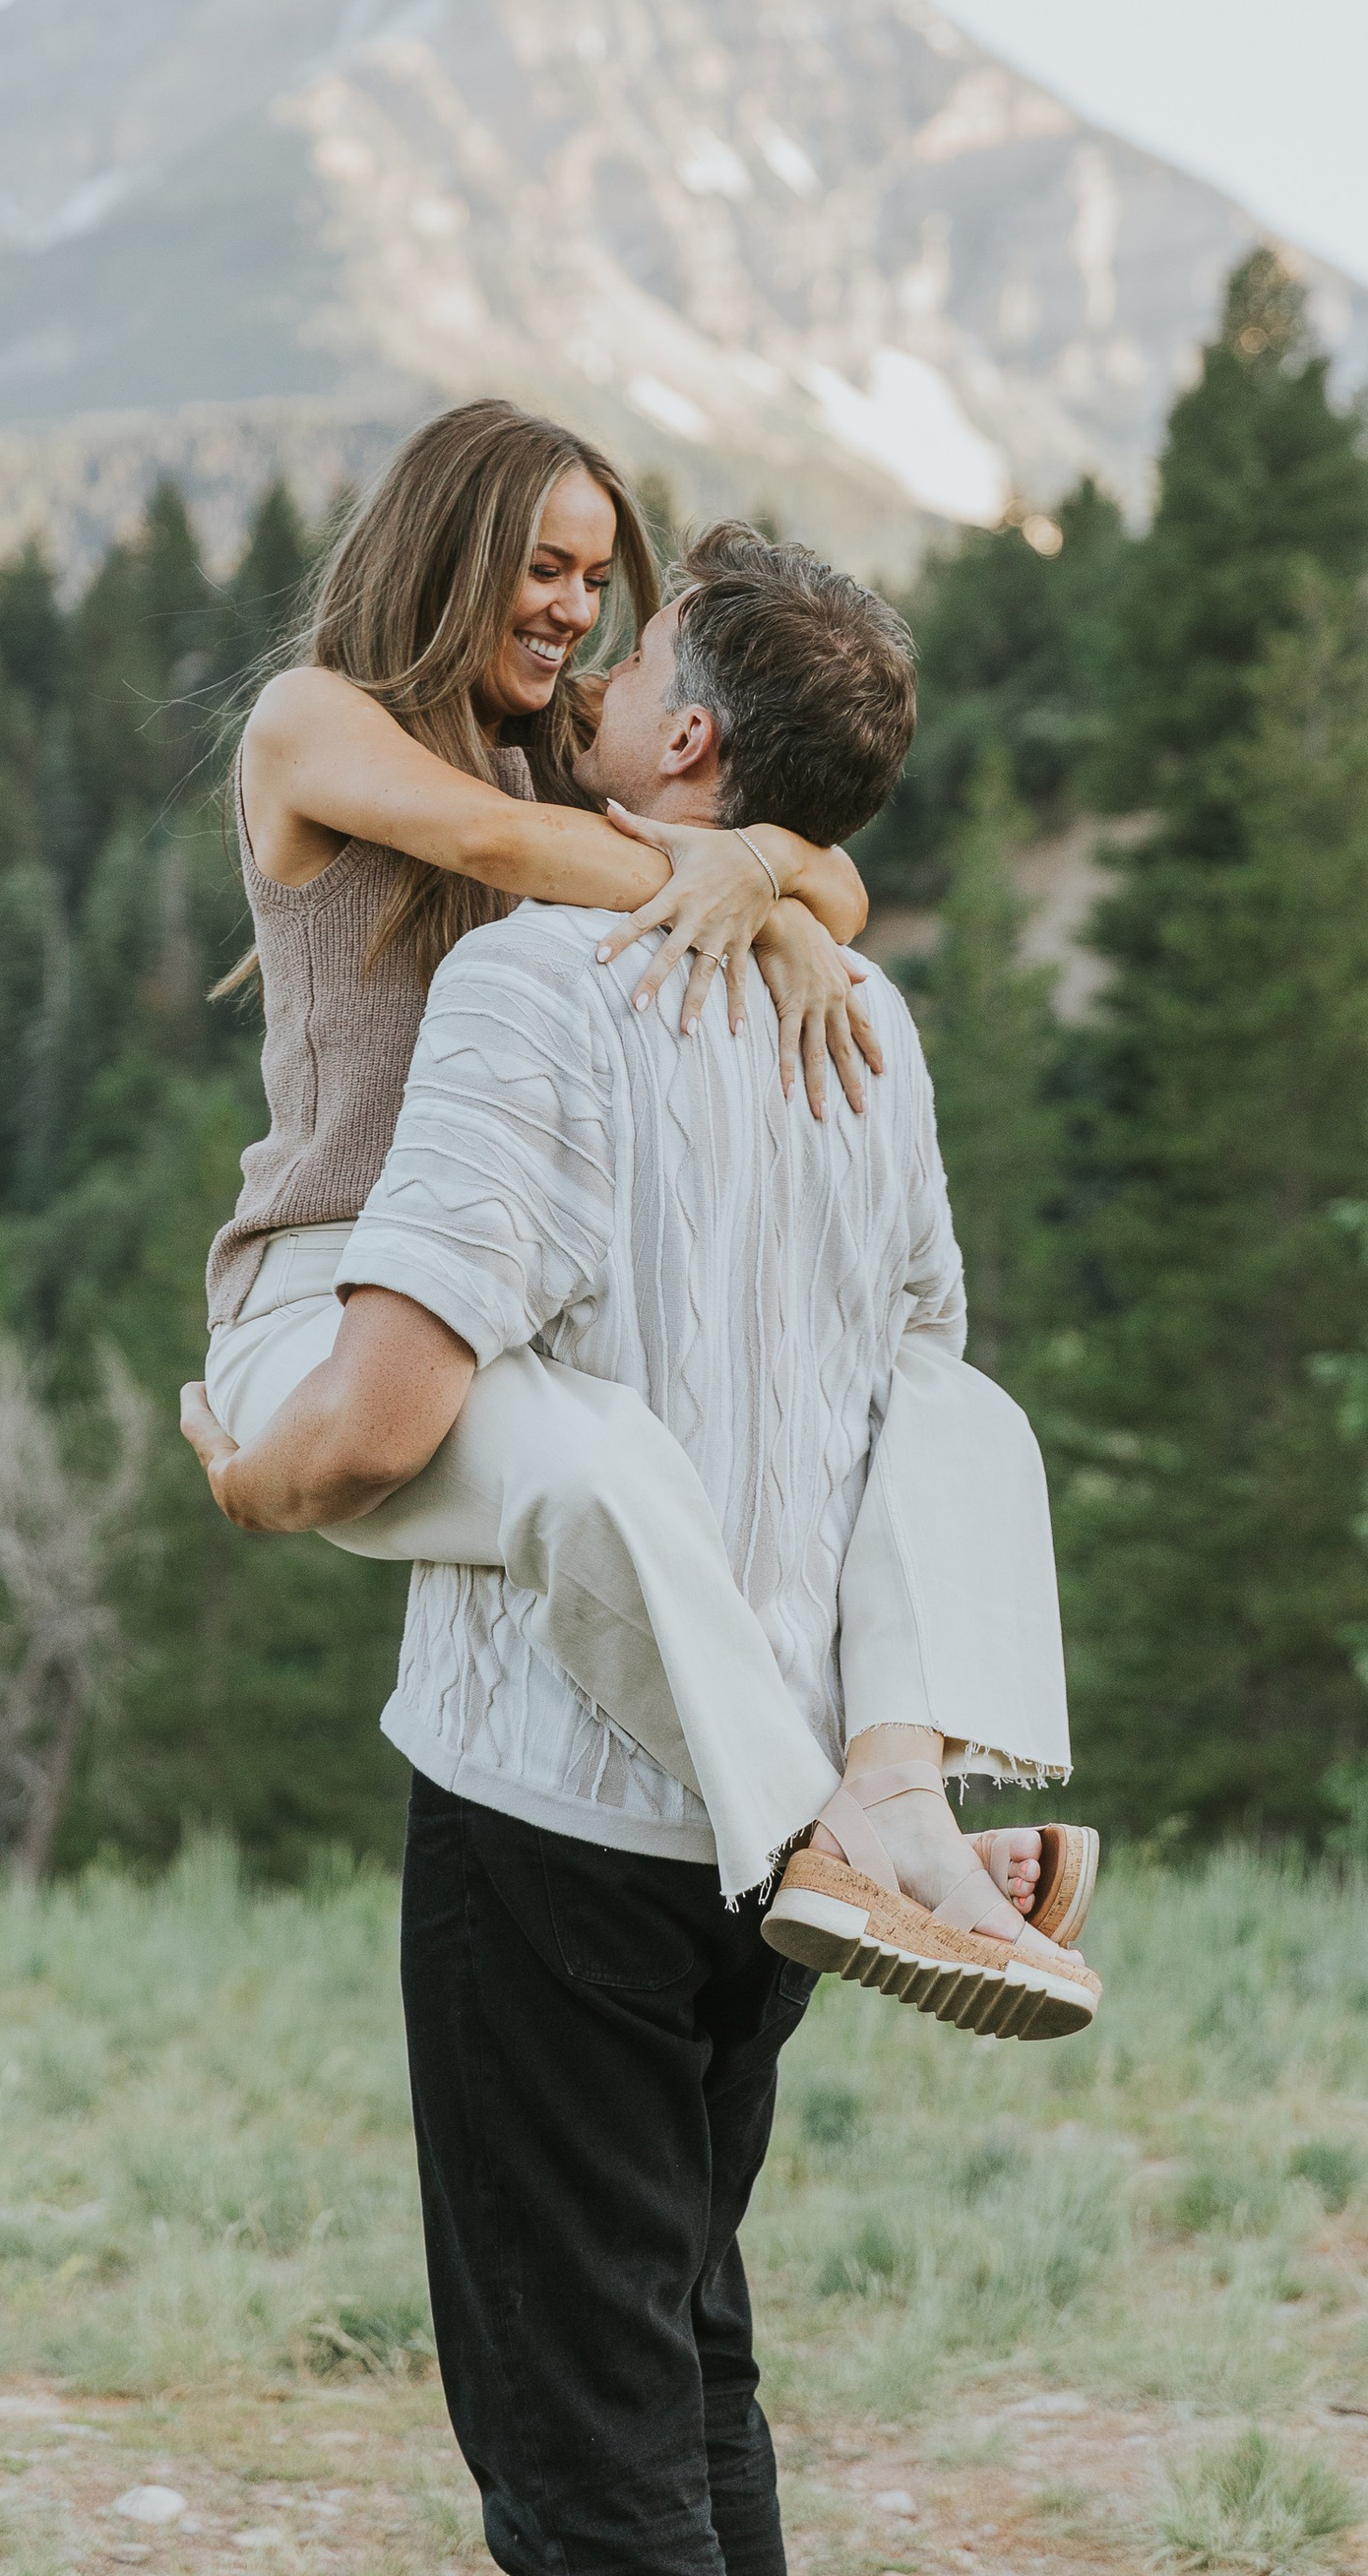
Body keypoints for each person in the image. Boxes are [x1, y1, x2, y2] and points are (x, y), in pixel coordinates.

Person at [183, 521, 1096, 2576]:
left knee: (581, 2451)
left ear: (684, 739)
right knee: (689, 2368)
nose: (587, 661)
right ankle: (904, 1821)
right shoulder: (858, 1011)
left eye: (632, 644)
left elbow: (398, 1411)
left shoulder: (530, 985)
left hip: (557, 1814)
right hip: (775, 1850)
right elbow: (922, 1370)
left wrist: (254, 1475)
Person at [186, 400, 1092, 1954]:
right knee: (591, 1467)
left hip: (479, 1308)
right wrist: (752, 870)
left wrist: (781, 869)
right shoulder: (313, 721)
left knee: (941, 1420)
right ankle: (820, 1841)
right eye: (542, 564)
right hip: (328, 1302)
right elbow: (505, 849)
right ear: (449, 546)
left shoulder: (566, 764)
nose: (570, 608)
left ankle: (902, 1797)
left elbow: (847, 878)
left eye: (597, 579)